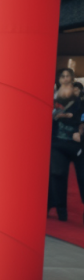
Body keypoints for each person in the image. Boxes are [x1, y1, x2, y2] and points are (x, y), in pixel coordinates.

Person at [48, 69, 84, 222]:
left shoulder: (80, 99)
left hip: (77, 145)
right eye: (62, 76)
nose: (65, 79)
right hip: (58, 143)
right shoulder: (53, 97)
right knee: (57, 176)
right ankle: (60, 211)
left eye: (68, 76)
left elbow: (81, 117)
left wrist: (80, 130)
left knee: (82, 177)